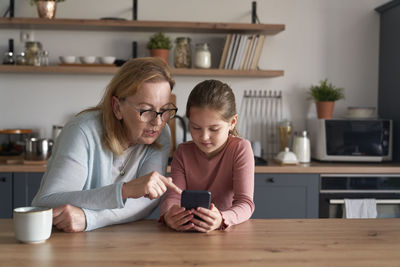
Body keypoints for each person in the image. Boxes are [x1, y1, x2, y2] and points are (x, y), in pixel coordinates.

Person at [32, 57, 182, 232]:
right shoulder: (81, 131)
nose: (157, 122)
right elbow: (46, 201)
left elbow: (146, 200)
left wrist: (90, 218)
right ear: (117, 107)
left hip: (126, 238)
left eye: (164, 110)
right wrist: (124, 191)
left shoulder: (161, 134)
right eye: (146, 110)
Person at [160, 79, 255, 232]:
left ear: (232, 122)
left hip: (226, 235)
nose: (204, 137)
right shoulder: (183, 152)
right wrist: (168, 214)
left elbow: (245, 203)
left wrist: (222, 219)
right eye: (196, 127)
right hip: (187, 233)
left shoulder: (240, 148)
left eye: (214, 129)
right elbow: (173, 197)